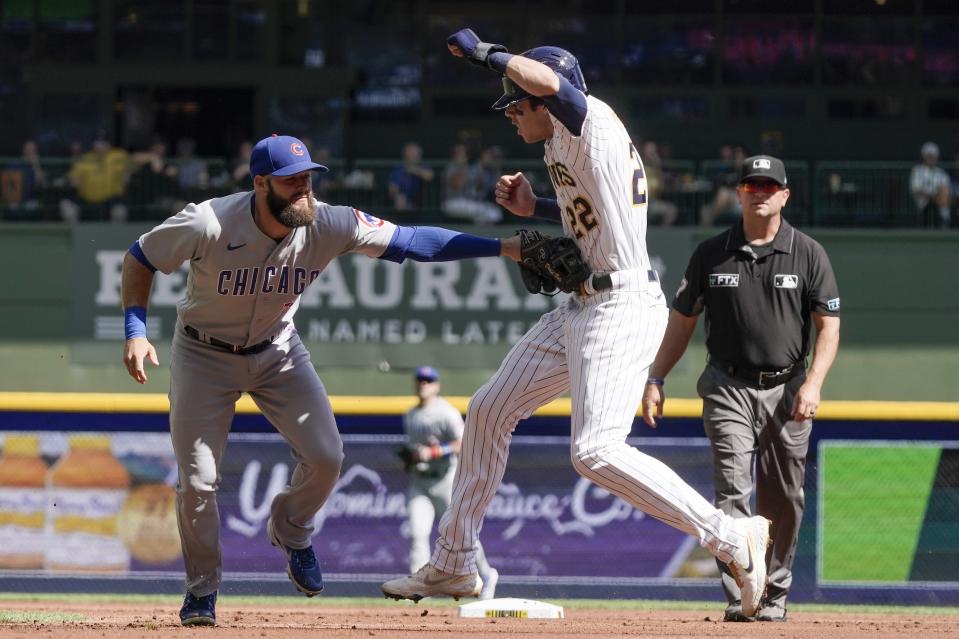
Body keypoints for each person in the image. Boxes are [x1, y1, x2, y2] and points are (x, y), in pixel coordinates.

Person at [381, 29, 771, 617]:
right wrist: (534, 208)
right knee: (488, 411)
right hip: (581, 306)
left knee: (594, 451)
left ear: (545, 98)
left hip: (621, 304)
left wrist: (488, 54)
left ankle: (730, 534)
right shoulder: (563, 143)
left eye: (517, 102)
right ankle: (456, 562)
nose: (511, 113)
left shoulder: (593, 121)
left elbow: (555, 87)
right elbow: (593, 209)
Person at [120, 134, 525, 626]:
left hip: (278, 351)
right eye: (292, 182)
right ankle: (202, 592)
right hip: (203, 354)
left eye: (308, 179)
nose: (304, 191)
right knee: (199, 482)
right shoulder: (209, 220)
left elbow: (414, 240)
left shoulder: (329, 222)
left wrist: (504, 247)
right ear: (261, 183)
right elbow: (140, 257)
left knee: (327, 456)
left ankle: (291, 532)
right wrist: (136, 331)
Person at [641, 155, 841, 622]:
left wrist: (813, 384)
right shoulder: (712, 252)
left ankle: (775, 590)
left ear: (785, 195)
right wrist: (656, 377)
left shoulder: (808, 252)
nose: (760, 192)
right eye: (752, 184)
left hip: (788, 387)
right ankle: (740, 591)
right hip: (727, 383)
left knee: (782, 496)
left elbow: (828, 327)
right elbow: (682, 323)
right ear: (739, 192)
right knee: (731, 490)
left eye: (770, 186)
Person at [400, 365, 498, 600]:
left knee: (461, 532)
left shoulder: (446, 412)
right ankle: (419, 588)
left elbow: (463, 442)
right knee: (417, 533)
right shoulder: (410, 415)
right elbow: (416, 450)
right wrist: (412, 456)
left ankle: (486, 575)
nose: (423, 384)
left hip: (446, 480)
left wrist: (434, 452)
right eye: (420, 380)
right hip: (421, 482)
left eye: (428, 380)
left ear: (436, 385)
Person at [59, 131, 130, 223]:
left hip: (110, 200)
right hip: (86, 199)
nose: (100, 145)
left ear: (109, 144)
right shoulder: (86, 158)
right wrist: (74, 180)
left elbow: (135, 161)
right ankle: (78, 235)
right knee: (66, 205)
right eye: (97, 142)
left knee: (119, 211)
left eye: (103, 142)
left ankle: (116, 236)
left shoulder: (118, 155)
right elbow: (73, 177)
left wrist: (128, 173)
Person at [909, 141, 952, 228]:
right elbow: (915, 190)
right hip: (924, 204)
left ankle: (945, 220)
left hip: (940, 203)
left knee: (945, 195)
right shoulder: (917, 170)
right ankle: (945, 221)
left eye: (933, 156)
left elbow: (947, 191)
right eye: (929, 156)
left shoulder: (942, 173)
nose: (931, 158)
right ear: (924, 156)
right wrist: (933, 195)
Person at [388, 142, 434, 213]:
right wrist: (397, 196)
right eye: (411, 153)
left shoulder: (423, 165)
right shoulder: (399, 168)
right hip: (403, 200)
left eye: (416, 153)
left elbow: (429, 176)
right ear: (405, 154)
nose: (414, 156)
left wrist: (413, 170)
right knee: (400, 199)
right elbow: (392, 188)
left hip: (420, 200)